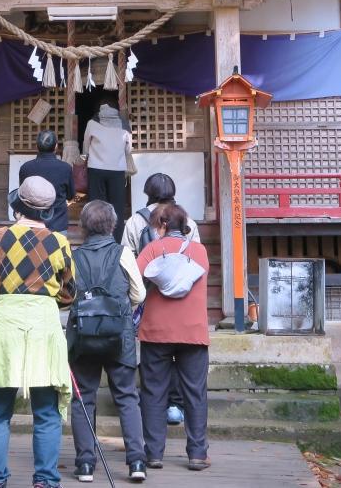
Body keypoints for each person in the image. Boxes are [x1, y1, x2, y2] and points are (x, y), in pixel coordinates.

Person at [0, 175, 76, 488]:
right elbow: (69, 290)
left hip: (4, 323)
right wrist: (49, 300)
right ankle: (45, 480)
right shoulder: (59, 242)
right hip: (43, 325)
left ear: (18, 205)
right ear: (47, 210)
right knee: (47, 412)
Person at [67, 200, 147, 483]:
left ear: (83, 226)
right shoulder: (123, 253)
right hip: (118, 334)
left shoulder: (73, 256)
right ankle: (137, 461)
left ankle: (85, 464)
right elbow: (139, 294)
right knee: (127, 397)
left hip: (83, 335)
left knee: (83, 399)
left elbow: (67, 296)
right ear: (113, 225)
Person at [136, 203, 211, 472]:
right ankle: (197, 453)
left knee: (153, 392)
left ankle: (153, 453)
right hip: (193, 331)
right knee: (195, 392)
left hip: (156, 330)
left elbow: (134, 281)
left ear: (164, 225)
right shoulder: (200, 251)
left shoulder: (152, 250)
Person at [119, 172, 198, 427]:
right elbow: (196, 256)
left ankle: (153, 406)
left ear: (147, 192)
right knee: (178, 349)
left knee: (152, 351)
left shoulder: (135, 221)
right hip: (182, 294)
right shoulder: (187, 220)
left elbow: (126, 259)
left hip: (147, 294)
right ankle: (175, 405)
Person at [81, 99, 132, 235]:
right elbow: (128, 149)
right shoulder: (124, 124)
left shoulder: (92, 123)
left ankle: (95, 236)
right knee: (117, 206)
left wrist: (86, 156)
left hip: (96, 168)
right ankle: (116, 238)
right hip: (117, 170)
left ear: (100, 109)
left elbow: (86, 145)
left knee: (96, 205)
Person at [17, 130, 73, 234]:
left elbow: (22, 195)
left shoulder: (26, 168)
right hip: (58, 224)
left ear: (37, 146)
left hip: (32, 224)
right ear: (56, 146)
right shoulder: (66, 168)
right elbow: (70, 195)